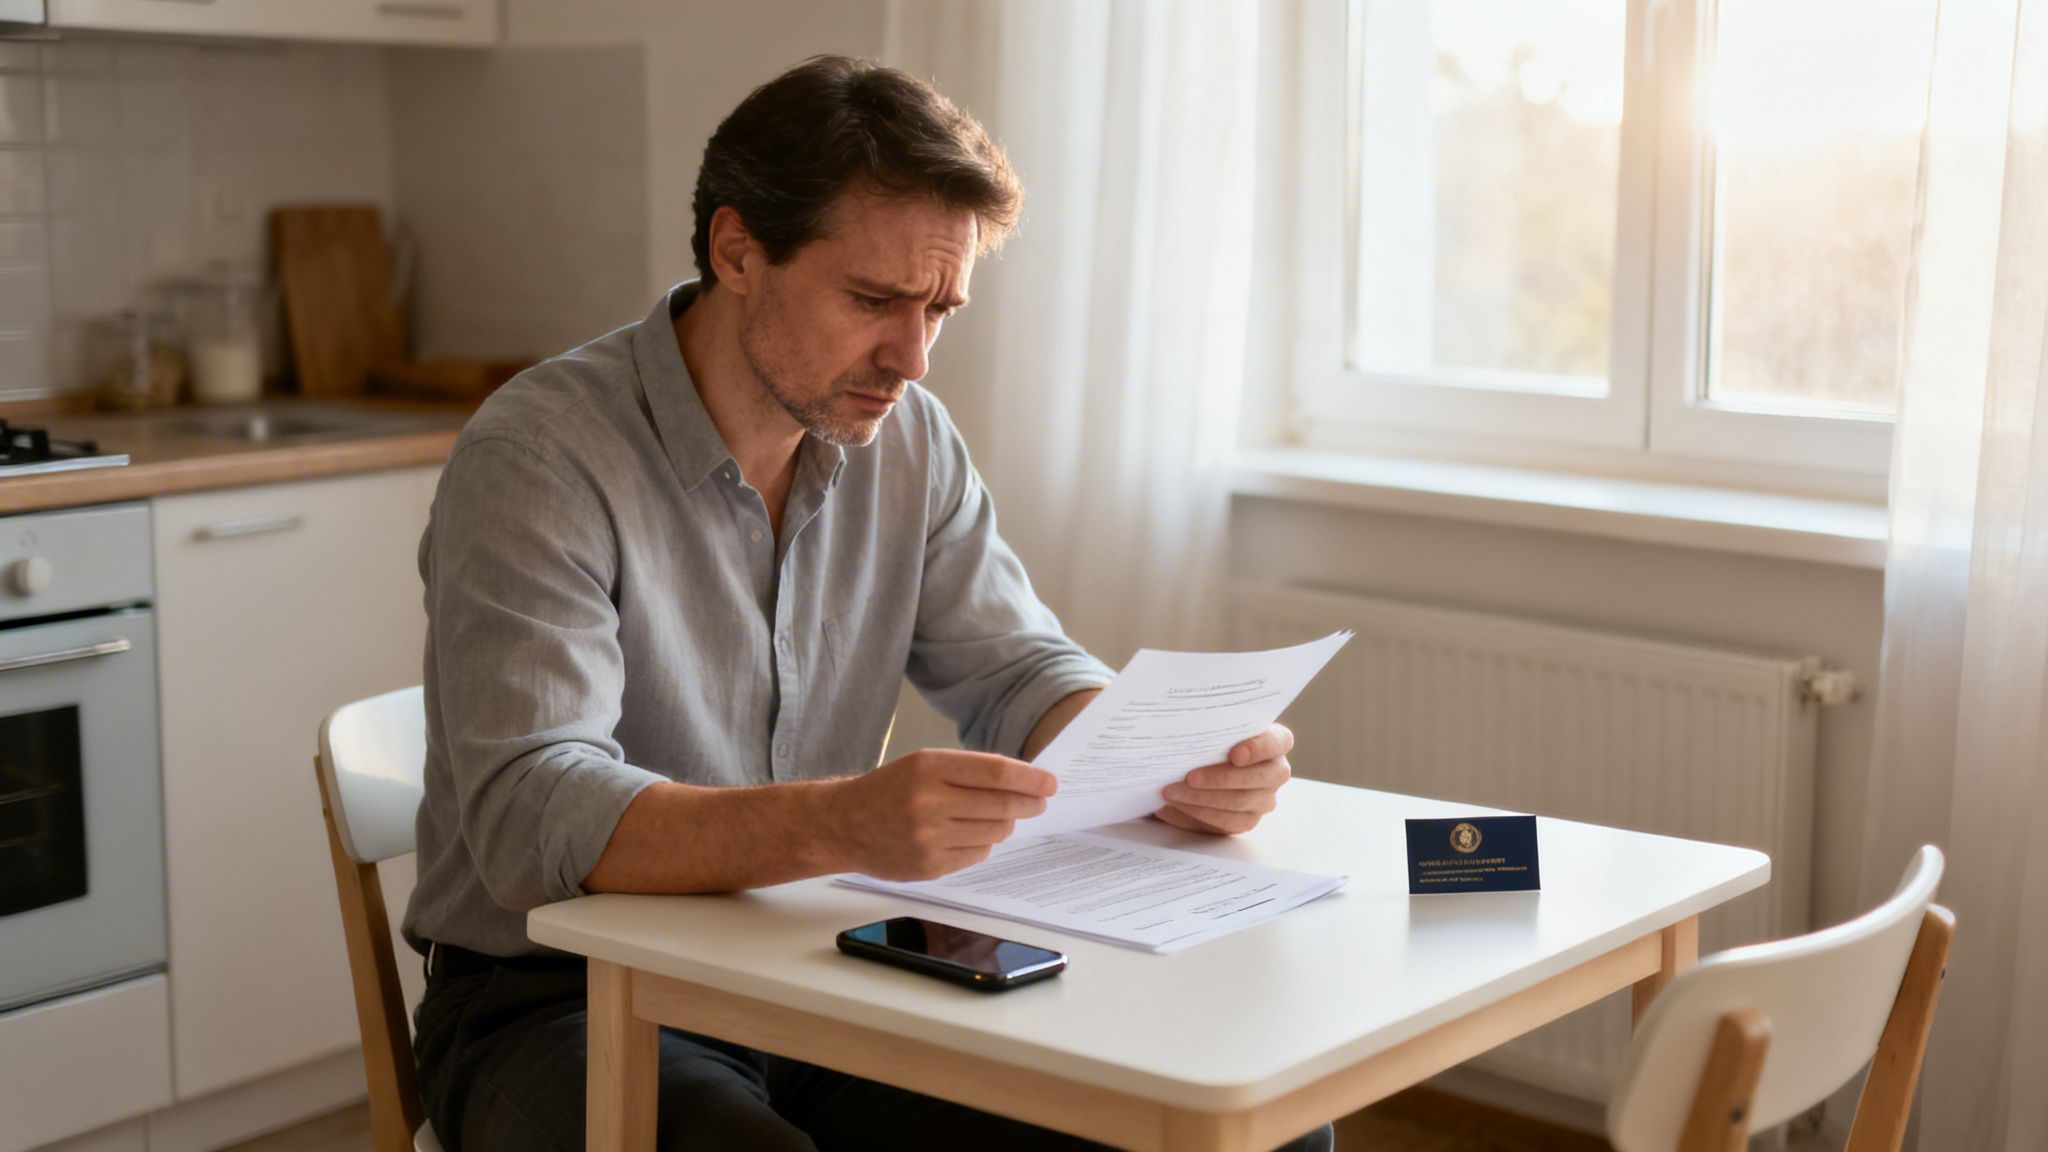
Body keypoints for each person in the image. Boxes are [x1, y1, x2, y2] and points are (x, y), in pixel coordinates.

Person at [403, 54, 1333, 1152]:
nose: (914, 358)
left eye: (940, 306)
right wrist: (844, 821)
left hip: (817, 966)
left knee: (1243, 1126)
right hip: (556, 993)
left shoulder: (906, 443)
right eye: (875, 301)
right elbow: (528, 817)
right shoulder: (541, 454)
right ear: (736, 251)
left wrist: (1167, 758)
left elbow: (1018, 670)